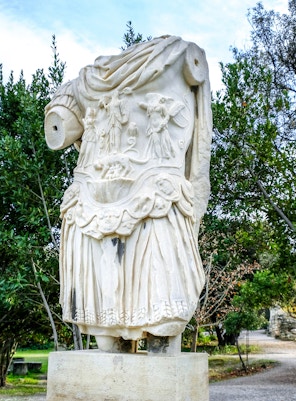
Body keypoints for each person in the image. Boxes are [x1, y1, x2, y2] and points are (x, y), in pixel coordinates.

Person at [44, 35, 212, 354]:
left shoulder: (179, 59)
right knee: (108, 333)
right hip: (96, 198)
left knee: (164, 321)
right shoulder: (83, 84)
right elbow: (61, 125)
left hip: (151, 195)